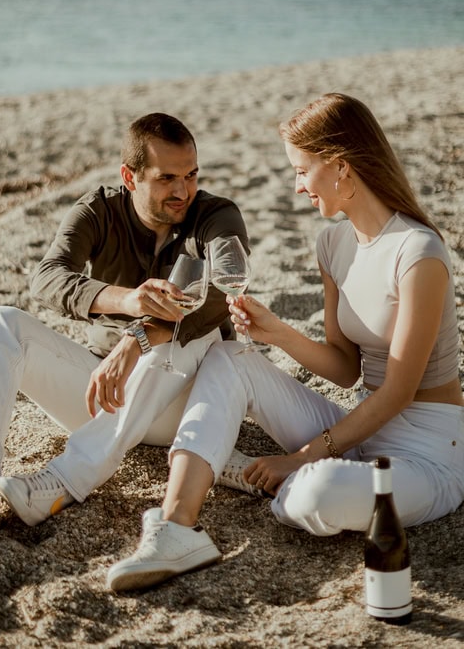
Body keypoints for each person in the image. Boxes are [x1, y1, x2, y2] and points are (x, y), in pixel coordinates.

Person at [107, 92, 464, 591]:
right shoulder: (333, 243)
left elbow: (399, 393)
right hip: (359, 431)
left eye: (302, 170)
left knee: (315, 492)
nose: (298, 187)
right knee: (232, 356)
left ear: (340, 167)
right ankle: (177, 525)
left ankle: (249, 473)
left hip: (427, 454)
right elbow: (345, 370)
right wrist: (277, 333)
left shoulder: (418, 253)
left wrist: (300, 458)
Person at [0, 112, 248, 538]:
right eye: (166, 179)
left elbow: (223, 290)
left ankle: (67, 479)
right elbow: (47, 277)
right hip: (105, 395)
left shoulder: (215, 215)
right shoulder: (98, 211)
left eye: (191, 175)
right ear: (130, 176)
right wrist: (125, 299)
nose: (183, 191)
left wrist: (137, 337)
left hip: (186, 410)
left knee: (201, 332)